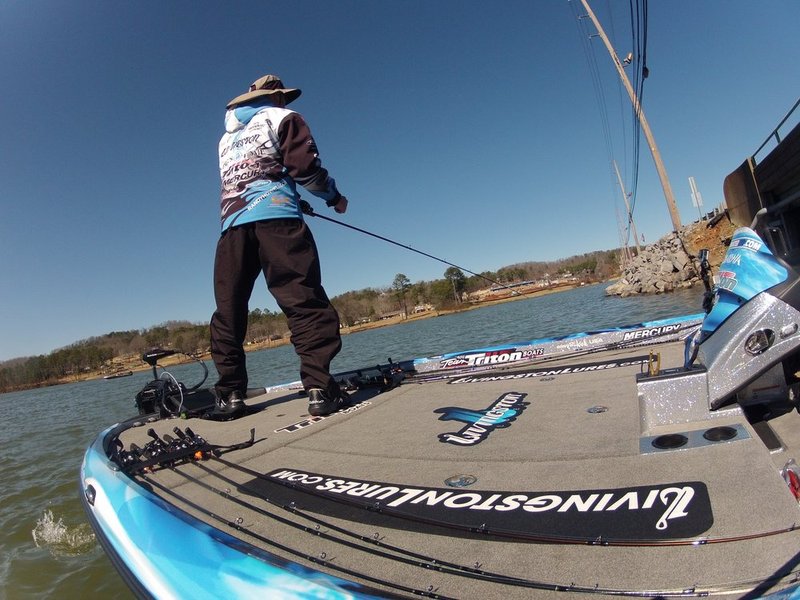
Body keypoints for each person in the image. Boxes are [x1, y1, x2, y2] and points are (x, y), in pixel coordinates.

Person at [210, 74, 349, 418]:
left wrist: (289, 194)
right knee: (302, 298)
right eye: (282, 97)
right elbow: (305, 169)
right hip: (278, 222)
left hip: (231, 228)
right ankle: (319, 388)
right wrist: (334, 197)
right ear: (275, 98)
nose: (285, 102)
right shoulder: (283, 118)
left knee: (228, 311)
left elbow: (249, 177)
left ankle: (229, 394)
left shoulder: (225, 139)